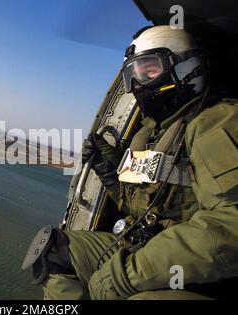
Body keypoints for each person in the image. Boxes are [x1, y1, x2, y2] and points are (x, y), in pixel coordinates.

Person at [22, 25, 238, 300]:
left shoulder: (218, 122)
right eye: (132, 75)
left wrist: (128, 274)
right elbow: (143, 204)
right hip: (144, 244)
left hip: (195, 273)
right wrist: (111, 176)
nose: (137, 85)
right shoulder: (153, 131)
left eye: (149, 71)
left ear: (188, 69)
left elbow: (230, 227)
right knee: (53, 249)